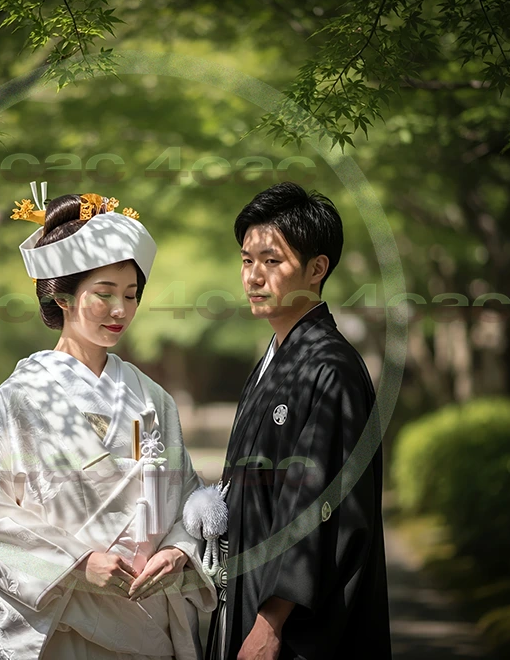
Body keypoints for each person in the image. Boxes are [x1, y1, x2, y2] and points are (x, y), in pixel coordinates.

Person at [0, 183, 217, 660]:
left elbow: (186, 494)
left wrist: (178, 551)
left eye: (131, 295)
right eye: (104, 294)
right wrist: (77, 564)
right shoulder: (23, 397)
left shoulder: (152, 398)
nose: (121, 310)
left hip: (146, 619)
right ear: (63, 297)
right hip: (64, 619)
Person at [205, 182, 391, 660]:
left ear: (316, 268)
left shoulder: (331, 368)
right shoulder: (274, 360)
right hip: (250, 601)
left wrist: (270, 625)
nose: (253, 276)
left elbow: (319, 507)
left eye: (271, 261)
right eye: (247, 260)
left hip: (297, 627)